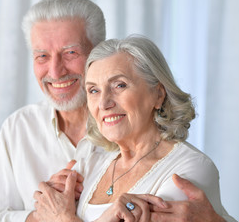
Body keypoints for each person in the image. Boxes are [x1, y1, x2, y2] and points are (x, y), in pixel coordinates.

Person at [0, 0, 235, 222]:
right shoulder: (95, 160)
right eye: (42, 55)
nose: (55, 71)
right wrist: (41, 213)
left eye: (70, 52)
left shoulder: (186, 170)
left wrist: (61, 217)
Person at [32, 36, 236, 222]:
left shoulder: (189, 171)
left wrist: (62, 217)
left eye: (119, 85)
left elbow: (54, 215)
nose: (103, 103)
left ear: (158, 94)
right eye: (93, 90)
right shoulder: (90, 161)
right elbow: (43, 213)